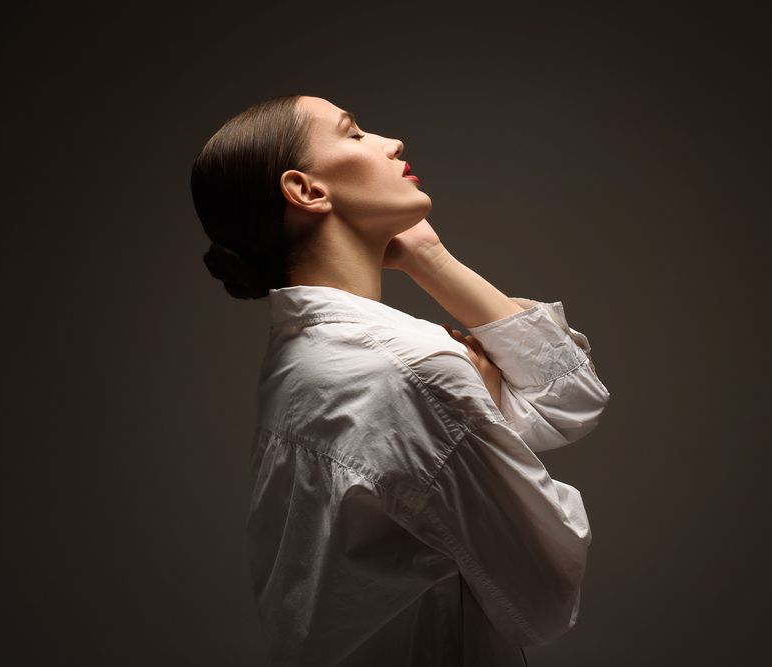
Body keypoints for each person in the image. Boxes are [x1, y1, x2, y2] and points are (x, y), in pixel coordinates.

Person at [190, 94, 611, 666]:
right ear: (306, 190)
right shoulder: (405, 367)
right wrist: (475, 402)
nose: (392, 143)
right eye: (353, 133)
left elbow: (570, 399)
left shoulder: (309, 354)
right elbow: (546, 590)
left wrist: (428, 257)